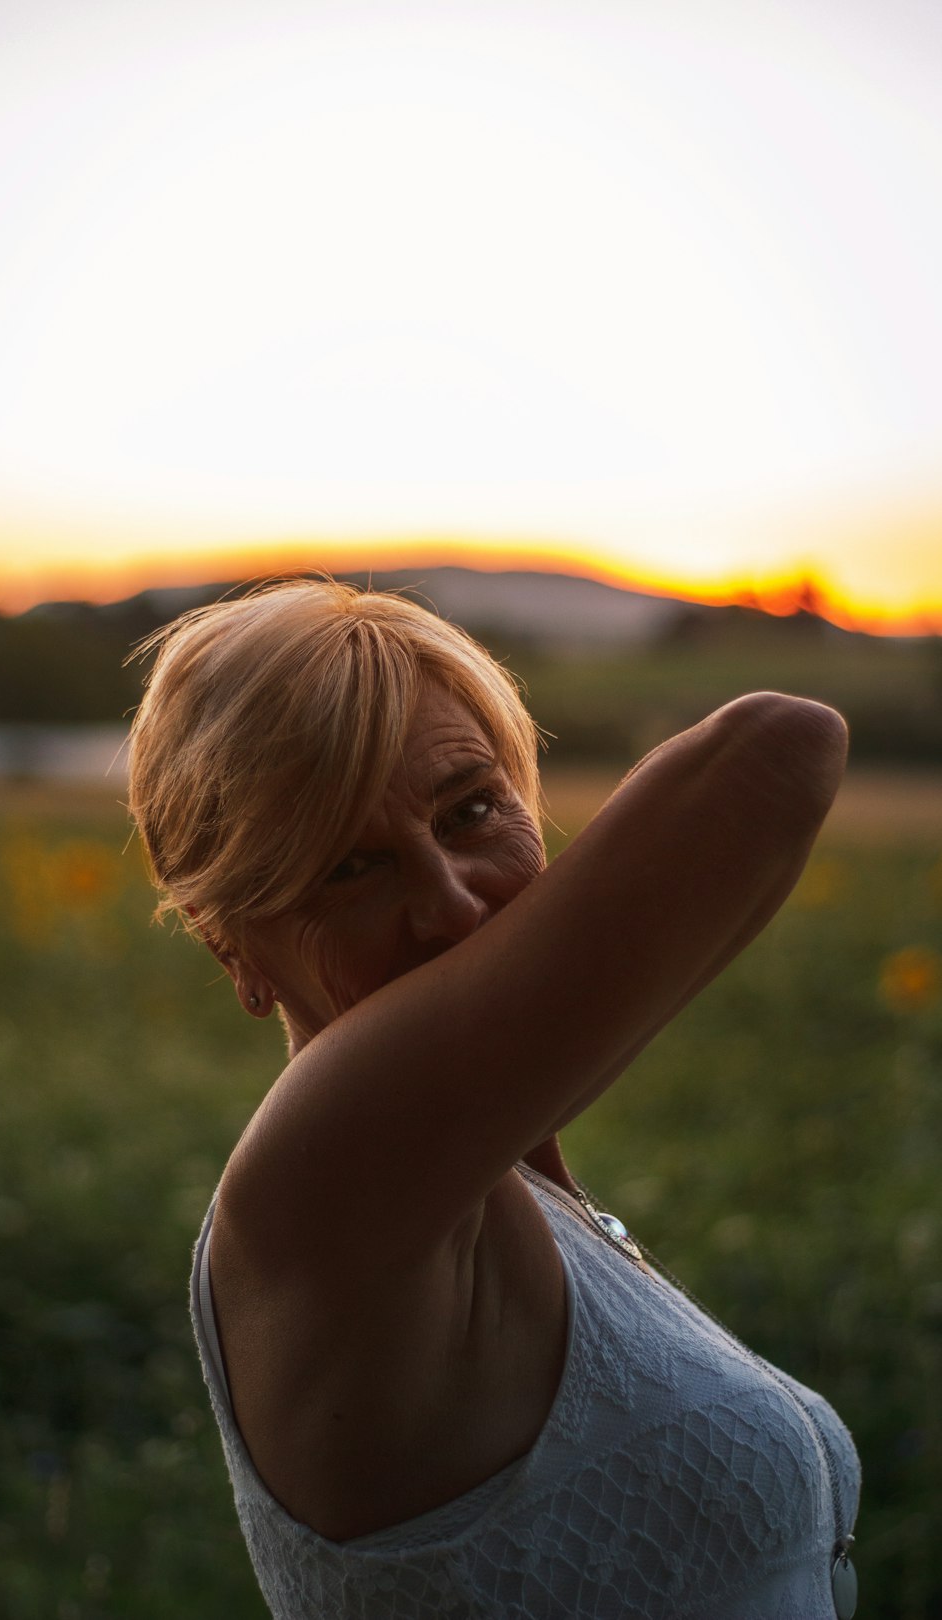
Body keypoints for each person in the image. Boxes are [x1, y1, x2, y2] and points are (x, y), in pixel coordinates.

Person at [127, 577, 860, 1620]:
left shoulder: (493, 1178)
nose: (452, 901)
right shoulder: (328, 1181)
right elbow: (781, 748)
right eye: (350, 868)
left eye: (473, 809)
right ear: (233, 947)